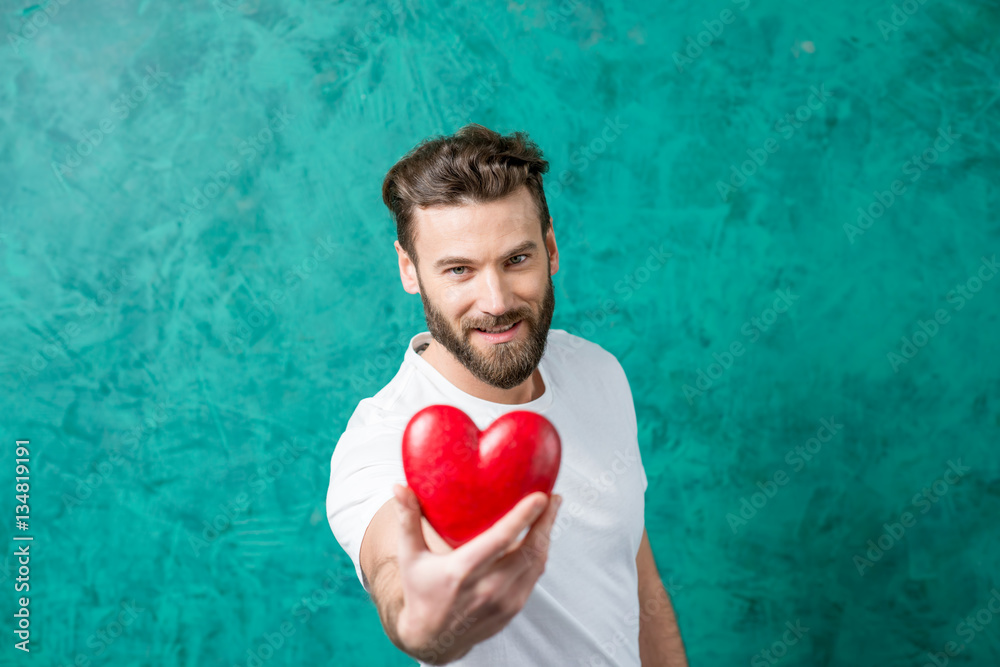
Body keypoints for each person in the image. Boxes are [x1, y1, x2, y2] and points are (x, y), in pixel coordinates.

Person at [326, 123, 687, 666]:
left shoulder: (598, 372)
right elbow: (394, 578)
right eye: (459, 270)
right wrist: (425, 624)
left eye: (516, 260)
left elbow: (639, 582)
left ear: (550, 248)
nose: (495, 301)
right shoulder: (383, 440)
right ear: (410, 269)